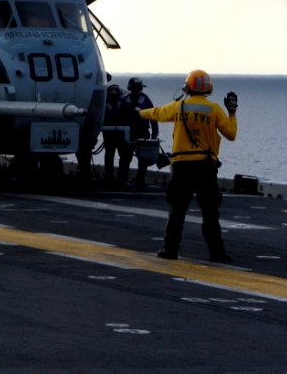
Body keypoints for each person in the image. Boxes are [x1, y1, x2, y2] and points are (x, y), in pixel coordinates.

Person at [137, 69, 237, 262]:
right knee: (209, 212)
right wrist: (232, 113)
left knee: (177, 210)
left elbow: (157, 113)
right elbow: (231, 135)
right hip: (205, 166)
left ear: (187, 87)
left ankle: (169, 249)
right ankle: (217, 253)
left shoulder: (179, 106)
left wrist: (139, 113)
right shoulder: (214, 109)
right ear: (208, 88)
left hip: (181, 165)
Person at [116, 77, 159, 188]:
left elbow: (152, 115)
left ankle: (131, 181)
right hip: (131, 132)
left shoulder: (127, 99)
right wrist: (155, 132)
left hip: (138, 132)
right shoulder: (139, 99)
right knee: (127, 157)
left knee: (138, 158)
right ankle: (124, 180)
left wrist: (155, 132)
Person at [100, 84, 124, 182]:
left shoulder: (122, 103)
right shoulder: (121, 102)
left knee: (117, 155)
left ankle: (118, 177)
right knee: (111, 155)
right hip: (110, 134)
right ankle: (111, 176)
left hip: (119, 134)